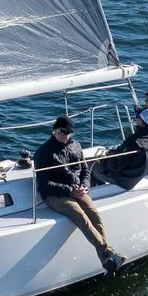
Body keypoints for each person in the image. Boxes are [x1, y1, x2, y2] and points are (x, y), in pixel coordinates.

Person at [33, 115, 124, 274]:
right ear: (54, 131)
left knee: (95, 216)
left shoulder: (76, 146)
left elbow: (85, 170)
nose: (63, 135)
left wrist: (84, 186)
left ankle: (106, 260)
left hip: (77, 189)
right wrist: (70, 191)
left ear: (71, 133)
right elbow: (44, 185)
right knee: (81, 217)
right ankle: (109, 252)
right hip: (55, 195)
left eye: (67, 132)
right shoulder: (43, 153)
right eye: (60, 131)